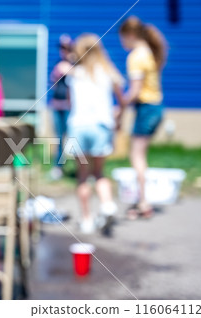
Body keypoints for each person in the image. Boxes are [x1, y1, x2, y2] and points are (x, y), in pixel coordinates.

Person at [66, 34, 124, 234]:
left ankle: (87, 219)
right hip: (101, 126)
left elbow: (70, 103)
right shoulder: (108, 72)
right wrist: (119, 118)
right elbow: (120, 100)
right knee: (99, 173)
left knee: (82, 175)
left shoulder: (75, 73)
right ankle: (107, 205)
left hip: (79, 126)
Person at [118, 16, 168, 219]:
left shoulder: (136, 56)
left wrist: (120, 107)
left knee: (136, 156)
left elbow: (135, 91)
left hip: (146, 108)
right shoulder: (149, 52)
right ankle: (142, 199)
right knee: (141, 155)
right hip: (155, 107)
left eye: (122, 39)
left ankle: (143, 202)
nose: (122, 44)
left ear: (129, 36)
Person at [48, 34, 74, 180]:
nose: (63, 51)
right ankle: (57, 167)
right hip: (57, 105)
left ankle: (82, 168)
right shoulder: (57, 64)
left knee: (74, 138)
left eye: (66, 48)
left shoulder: (76, 64)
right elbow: (53, 84)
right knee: (58, 138)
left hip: (70, 107)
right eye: (61, 48)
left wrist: (70, 68)